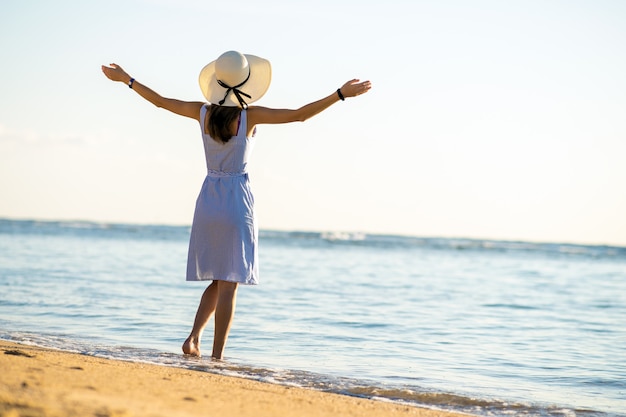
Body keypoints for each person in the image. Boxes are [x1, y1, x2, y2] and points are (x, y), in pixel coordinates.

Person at [101, 50, 371, 359]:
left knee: (218, 279)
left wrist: (126, 79)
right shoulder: (249, 117)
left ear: (216, 82)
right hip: (236, 201)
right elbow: (299, 115)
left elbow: (161, 102)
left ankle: (193, 338)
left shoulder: (202, 112)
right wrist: (340, 94)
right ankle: (217, 356)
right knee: (230, 284)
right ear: (246, 82)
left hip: (208, 199)